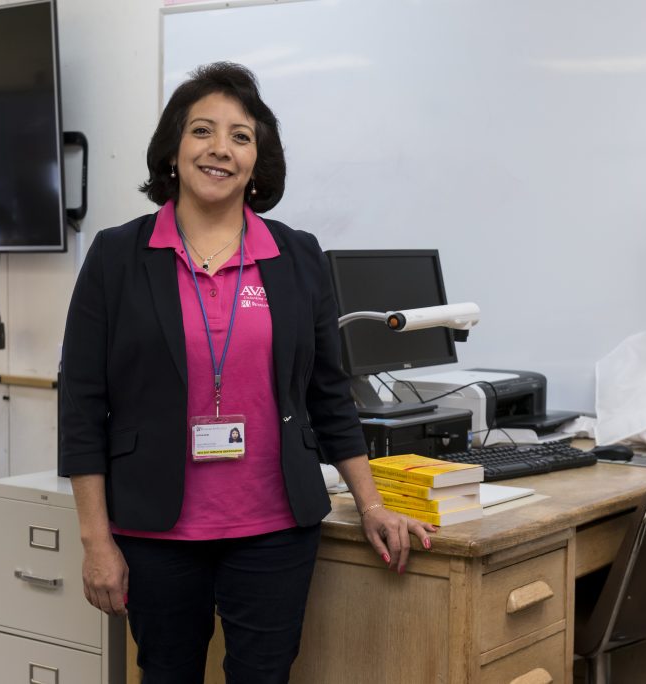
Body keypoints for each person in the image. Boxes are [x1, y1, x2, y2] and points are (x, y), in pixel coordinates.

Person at [59, 61, 435, 683]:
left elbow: (329, 395)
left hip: (274, 527)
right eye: (202, 131)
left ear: (258, 163)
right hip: (155, 528)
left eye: (241, 136)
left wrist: (371, 504)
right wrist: (95, 541)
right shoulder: (116, 256)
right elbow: (81, 407)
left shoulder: (296, 255)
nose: (220, 149)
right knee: (166, 673)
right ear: (173, 150)